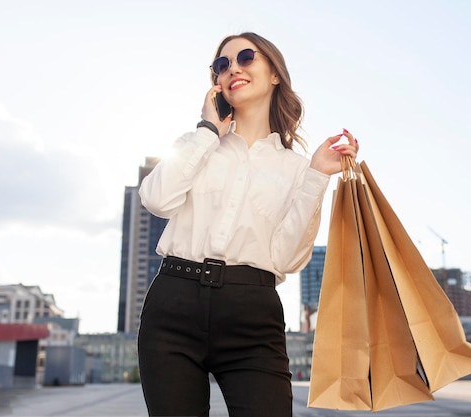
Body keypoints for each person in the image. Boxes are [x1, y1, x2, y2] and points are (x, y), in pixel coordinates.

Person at [137, 32, 358, 417]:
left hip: (252, 313)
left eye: (245, 57)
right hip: (173, 304)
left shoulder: (296, 169)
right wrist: (207, 131)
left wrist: (319, 175)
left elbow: (287, 258)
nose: (232, 68)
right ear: (216, 82)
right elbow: (156, 199)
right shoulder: (197, 144)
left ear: (274, 73)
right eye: (221, 65)